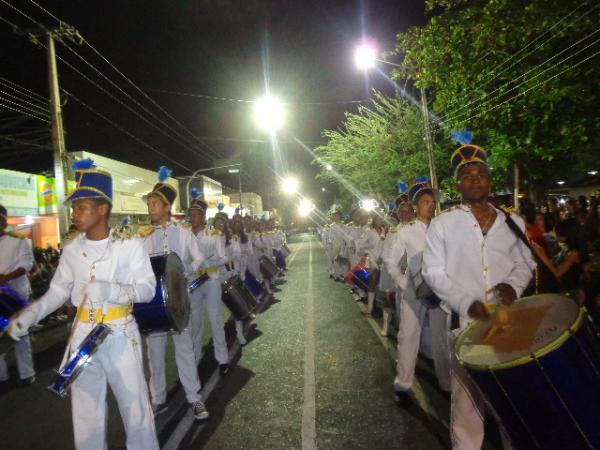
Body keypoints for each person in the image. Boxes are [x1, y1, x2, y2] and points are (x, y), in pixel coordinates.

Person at [8, 159, 159, 450]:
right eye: (74, 207)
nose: (75, 213)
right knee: (86, 417)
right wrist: (30, 314)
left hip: (119, 335)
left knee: (135, 411)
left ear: (102, 208)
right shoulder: (72, 249)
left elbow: (148, 289)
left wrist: (114, 290)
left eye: (81, 207)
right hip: (82, 336)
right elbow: (57, 292)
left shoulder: (129, 244)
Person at [422, 140, 534, 450]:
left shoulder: (513, 222)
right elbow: (433, 272)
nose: (475, 179)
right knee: (468, 404)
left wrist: (514, 285)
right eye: (468, 175)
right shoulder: (443, 224)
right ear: (457, 184)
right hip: (465, 325)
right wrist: (466, 302)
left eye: (481, 174)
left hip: (507, 321)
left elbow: (526, 263)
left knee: (510, 400)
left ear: (490, 180)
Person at [139, 167, 209, 420]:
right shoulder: (142, 237)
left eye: (154, 204)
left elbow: (199, 258)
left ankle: (194, 397)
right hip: (153, 304)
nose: (150, 208)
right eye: (149, 204)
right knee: (154, 354)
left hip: (179, 301)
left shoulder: (183, 232)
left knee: (185, 350)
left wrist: (183, 272)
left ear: (166, 207)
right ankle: (157, 400)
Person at [384, 181, 451, 402]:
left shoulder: (442, 228)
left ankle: (446, 383)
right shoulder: (405, 231)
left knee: (442, 337)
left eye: (432, 202)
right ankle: (403, 384)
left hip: (439, 290)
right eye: (424, 202)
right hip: (415, 291)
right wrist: (403, 282)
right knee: (408, 336)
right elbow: (390, 261)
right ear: (414, 205)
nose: (430, 206)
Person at [187, 194, 230, 376]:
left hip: (211, 280)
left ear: (203, 216)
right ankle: (195, 358)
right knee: (194, 323)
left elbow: (225, 258)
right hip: (193, 283)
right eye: (190, 214)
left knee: (215, 319)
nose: (192, 217)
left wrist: (208, 263)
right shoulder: (185, 235)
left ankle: (222, 359)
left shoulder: (214, 234)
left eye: (196, 214)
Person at [0, 204, 36, 385]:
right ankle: (1, 376)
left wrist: (5, 278)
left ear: (4, 221)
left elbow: (26, 264)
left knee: (20, 333)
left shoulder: (19, 240)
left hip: (15, 295)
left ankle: (26, 373)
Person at [213, 212, 248, 345]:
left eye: (222, 223)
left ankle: (239, 333)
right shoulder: (210, 239)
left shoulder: (232, 239)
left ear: (226, 224)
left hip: (231, 274)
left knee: (236, 306)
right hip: (217, 278)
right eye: (217, 223)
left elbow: (238, 257)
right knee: (219, 311)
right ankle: (222, 338)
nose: (219, 226)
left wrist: (237, 274)